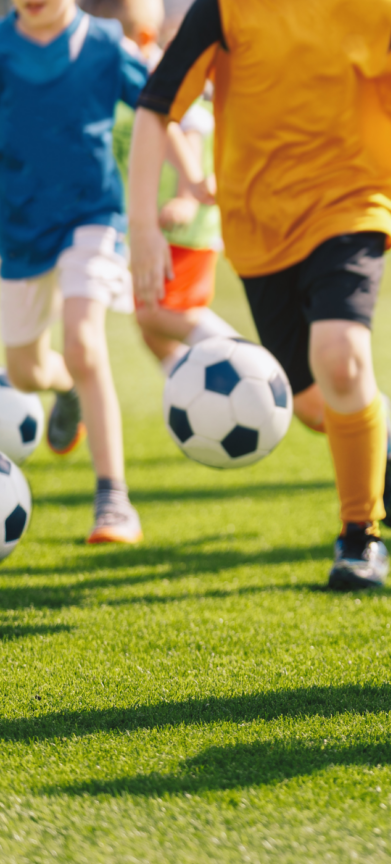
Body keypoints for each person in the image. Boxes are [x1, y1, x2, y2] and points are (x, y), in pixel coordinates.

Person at [128, 0, 391, 590]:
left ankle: (360, 536)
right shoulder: (226, 11)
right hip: (260, 227)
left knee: (340, 355)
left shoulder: (384, 9)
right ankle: (378, 442)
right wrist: (142, 231)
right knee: (314, 406)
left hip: (355, 203)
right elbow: (156, 111)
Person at [0, 0, 147, 544]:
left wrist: (194, 174)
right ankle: (64, 388)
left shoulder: (106, 44)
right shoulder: (2, 48)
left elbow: (160, 103)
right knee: (24, 372)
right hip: (18, 231)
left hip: (93, 215)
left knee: (85, 342)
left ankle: (114, 500)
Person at [83, 0, 243, 378]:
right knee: (151, 329)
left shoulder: (154, 72)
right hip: (149, 223)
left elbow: (192, 124)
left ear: (142, 37)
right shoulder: (106, 82)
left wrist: (187, 195)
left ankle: (250, 364)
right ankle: (192, 392)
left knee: (158, 313)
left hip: (185, 223)